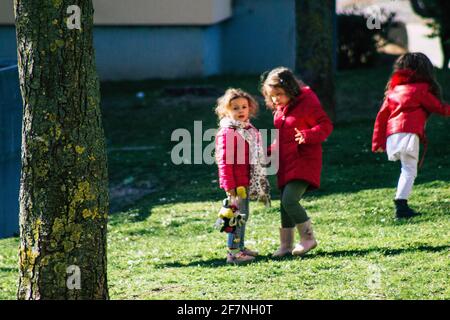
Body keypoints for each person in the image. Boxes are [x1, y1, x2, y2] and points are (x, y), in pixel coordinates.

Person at [260, 67, 333, 257]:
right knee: (284, 206)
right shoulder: (280, 111)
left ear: (290, 89)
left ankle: (308, 238)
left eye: (279, 94)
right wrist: (268, 153)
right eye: (271, 95)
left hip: (304, 161)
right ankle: (286, 245)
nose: (275, 99)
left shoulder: (307, 102)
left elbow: (325, 125)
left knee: (290, 200)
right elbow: (280, 140)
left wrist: (308, 135)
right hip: (286, 163)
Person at [372, 52, 449, 219]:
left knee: (406, 169)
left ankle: (401, 205)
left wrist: (377, 142)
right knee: (409, 170)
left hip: (393, 135)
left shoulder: (393, 92)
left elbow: (381, 117)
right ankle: (401, 205)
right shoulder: (420, 90)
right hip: (409, 133)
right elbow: (439, 107)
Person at [215, 88, 270, 264]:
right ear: (226, 111)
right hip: (235, 184)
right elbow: (224, 160)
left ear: (250, 108)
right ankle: (233, 253)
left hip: (245, 180)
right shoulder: (228, 131)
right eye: (235, 108)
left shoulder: (248, 129)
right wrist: (229, 185)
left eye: (244, 107)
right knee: (236, 216)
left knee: (243, 215)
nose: (241, 111)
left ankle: (240, 246)